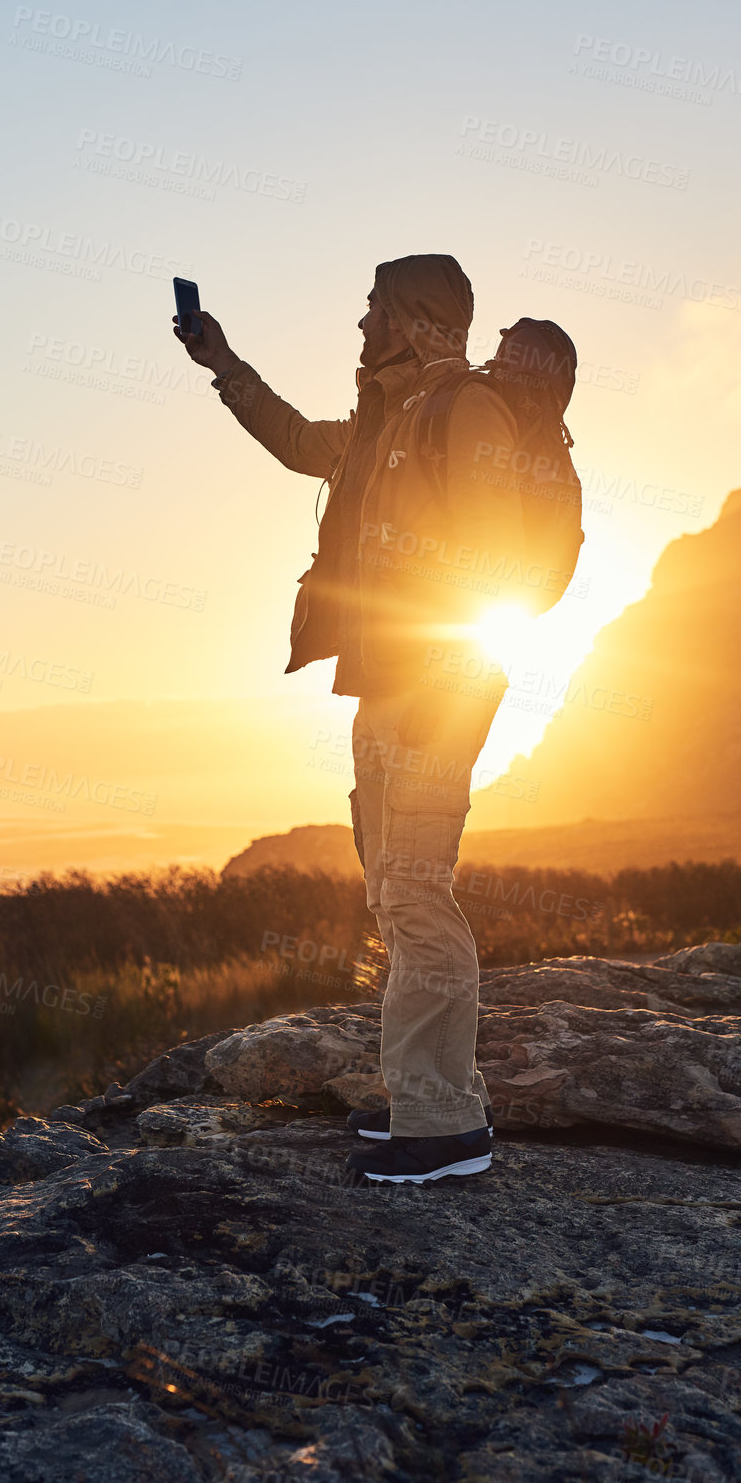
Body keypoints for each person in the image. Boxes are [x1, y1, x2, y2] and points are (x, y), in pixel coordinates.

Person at [174, 255, 527, 1185]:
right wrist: (222, 362)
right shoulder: (384, 421)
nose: (359, 326)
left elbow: (499, 568)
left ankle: (445, 1125)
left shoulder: (469, 413)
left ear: (418, 323)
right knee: (388, 895)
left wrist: (443, 691)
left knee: (416, 894)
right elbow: (297, 441)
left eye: (373, 311)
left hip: (436, 688)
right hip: (381, 686)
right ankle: (421, 1093)